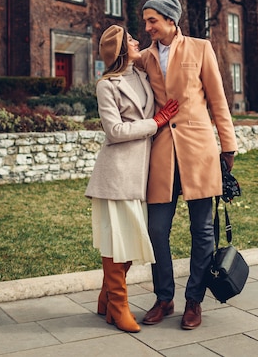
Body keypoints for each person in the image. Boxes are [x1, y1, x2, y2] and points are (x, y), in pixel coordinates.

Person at [138, 0, 239, 330]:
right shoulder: (145, 58)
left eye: (152, 20)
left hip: (199, 151)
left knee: (202, 231)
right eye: (146, 20)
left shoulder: (200, 48)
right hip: (163, 152)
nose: (147, 26)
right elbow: (116, 61)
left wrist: (229, 146)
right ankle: (164, 298)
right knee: (156, 229)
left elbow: (218, 99)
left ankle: (193, 301)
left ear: (170, 20)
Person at [85, 25, 179, 333]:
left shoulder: (141, 76)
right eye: (130, 39)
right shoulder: (106, 86)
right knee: (120, 241)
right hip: (116, 174)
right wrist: (155, 121)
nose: (137, 40)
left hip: (142, 172)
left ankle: (106, 298)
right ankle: (119, 305)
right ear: (121, 49)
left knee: (133, 238)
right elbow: (114, 131)